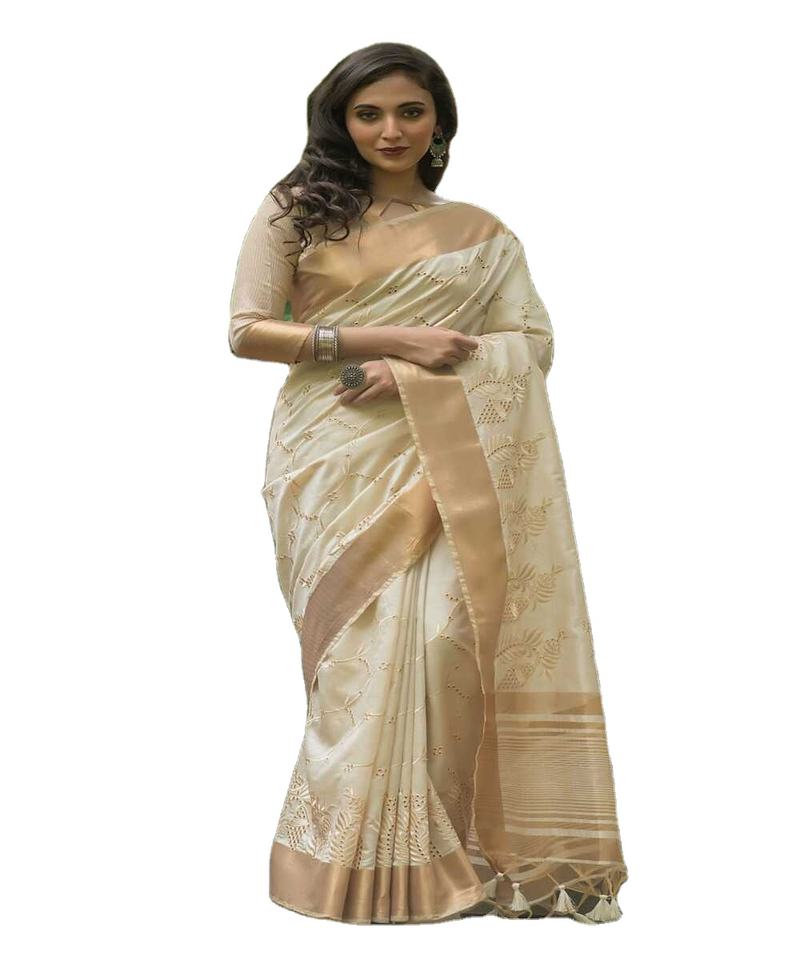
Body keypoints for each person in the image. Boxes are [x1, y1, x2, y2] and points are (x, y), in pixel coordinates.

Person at [228, 41, 628, 925]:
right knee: (357, 656)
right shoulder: (297, 211)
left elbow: (532, 345)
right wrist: (388, 341)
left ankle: (459, 854)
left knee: (449, 638)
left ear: (439, 121)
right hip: (331, 454)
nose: (390, 130)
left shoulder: (482, 235)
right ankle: (347, 864)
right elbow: (247, 331)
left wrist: (415, 376)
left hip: (449, 454)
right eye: (368, 113)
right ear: (339, 121)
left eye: (410, 111)